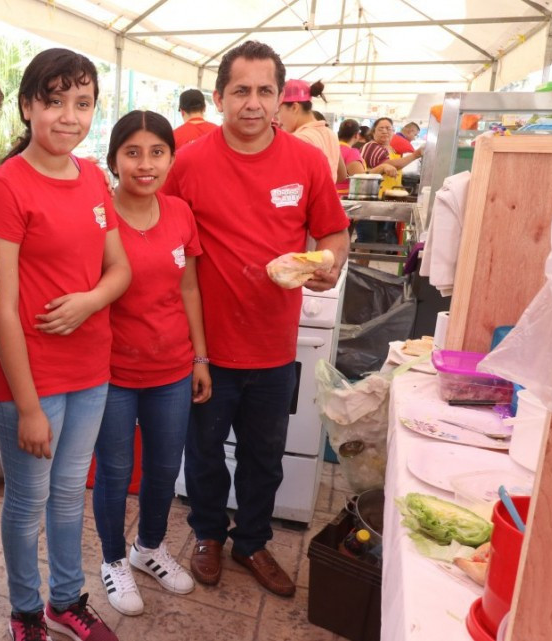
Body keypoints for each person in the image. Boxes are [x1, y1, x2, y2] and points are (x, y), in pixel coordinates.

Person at [161, 40, 349, 599]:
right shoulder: (188, 162)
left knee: (264, 457)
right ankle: (207, 534)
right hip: (206, 347)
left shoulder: (306, 162)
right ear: (219, 97)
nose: (253, 102)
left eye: (265, 91)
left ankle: (252, 541)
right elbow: (159, 226)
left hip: (273, 343)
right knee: (204, 453)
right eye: (240, 90)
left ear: (280, 97)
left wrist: (331, 263)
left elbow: (333, 232)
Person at [0, 48, 130, 641]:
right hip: (32, 377)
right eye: (55, 101)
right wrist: (27, 407)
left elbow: (119, 269)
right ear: (27, 106)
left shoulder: (93, 176)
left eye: (83, 103)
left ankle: (65, 601)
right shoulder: (5, 186)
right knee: (27, 501)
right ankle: (24, 610)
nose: (70, 116)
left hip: (91, 369)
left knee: (69, 494)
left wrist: (90, 301)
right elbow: (2, 306)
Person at [90, 110, 211, 617]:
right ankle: (113, 559)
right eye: (133, 153)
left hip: (172, 368)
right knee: (116, 472)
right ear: (114, 159)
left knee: (164, 467)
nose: (145, 164)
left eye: (157, 152)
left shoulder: (180, 213)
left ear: (171, 158)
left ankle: (149, 548)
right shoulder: (98, 215)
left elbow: (189, 287)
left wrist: (200, 356)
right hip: (113, 371)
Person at [277, 79, 342, 183]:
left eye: (278, 111)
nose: (278, 119)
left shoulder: (299, 139)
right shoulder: (330, 134)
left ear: (294, 107)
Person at [334, 118, 366, 196]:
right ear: (356, 135)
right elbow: (360, 179)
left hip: (328, 194)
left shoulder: (330, 148)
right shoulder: (351, 153)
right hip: (344, 197)